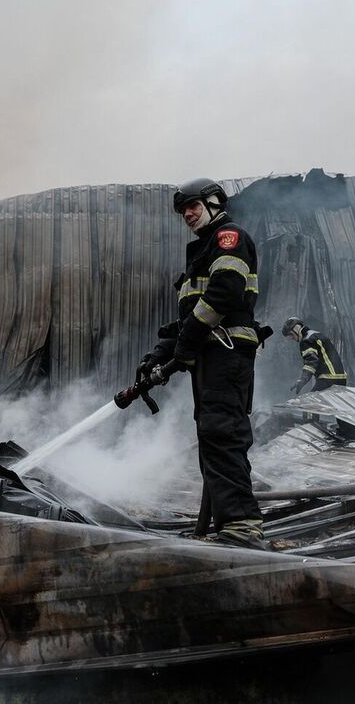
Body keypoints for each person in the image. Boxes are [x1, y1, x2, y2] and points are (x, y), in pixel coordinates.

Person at [134, 178, 266, 550]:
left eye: (193, 206)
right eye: (183, 211)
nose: (187, 214)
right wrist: (159, 355)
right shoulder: (202, 251)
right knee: (212, 434)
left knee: (222, 433)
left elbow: (222, 295)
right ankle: (222, 522)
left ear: (213, 202)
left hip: (226, 354)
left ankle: (242, 526)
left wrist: (185, 345)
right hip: (210, 357)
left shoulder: (229, 237)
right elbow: (190, 316)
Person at [280, 317, 348, 393]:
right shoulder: (317, 334)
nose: (291, 338)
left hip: (328, 379)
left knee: (310, 402)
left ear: (296, 329)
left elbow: (311, 362)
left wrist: (303, 380)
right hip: (342, 379)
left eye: (291, 334)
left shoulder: (306, 340)